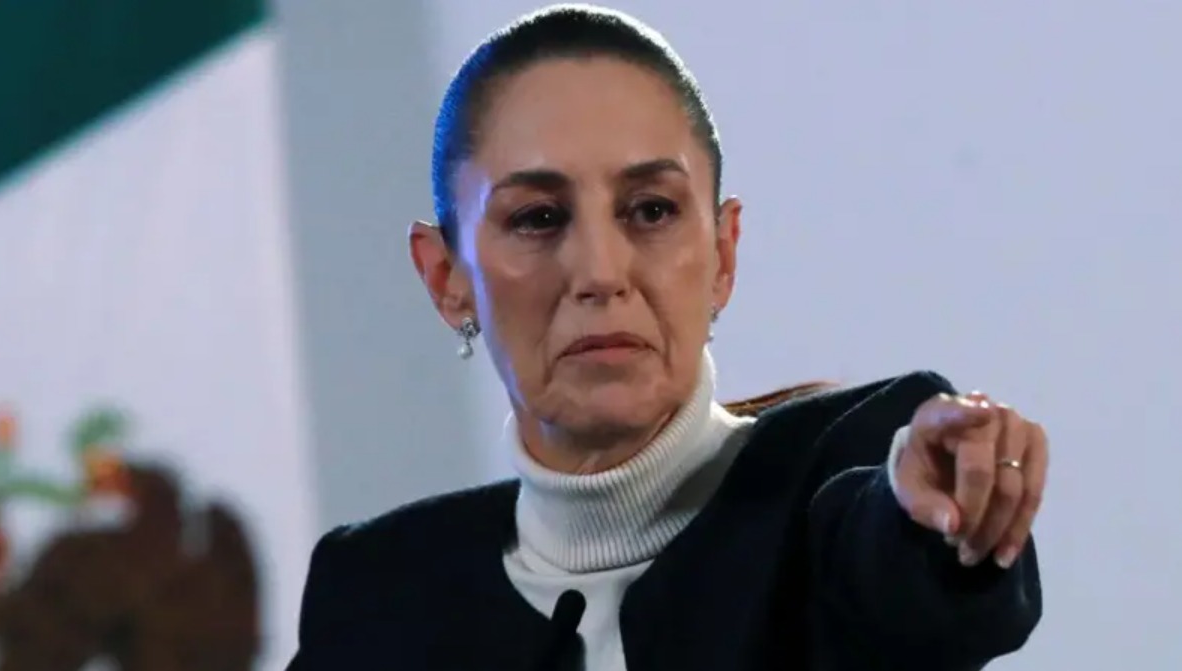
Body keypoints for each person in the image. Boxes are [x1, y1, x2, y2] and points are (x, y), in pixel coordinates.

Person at [287, 5, 1048, 670]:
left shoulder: (838, 474)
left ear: (723, 253)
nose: (600, 272)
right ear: (445, 277)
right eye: (538, 218)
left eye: (650, 210)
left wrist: (935, 520)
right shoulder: (376, 596)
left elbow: (901, 576)